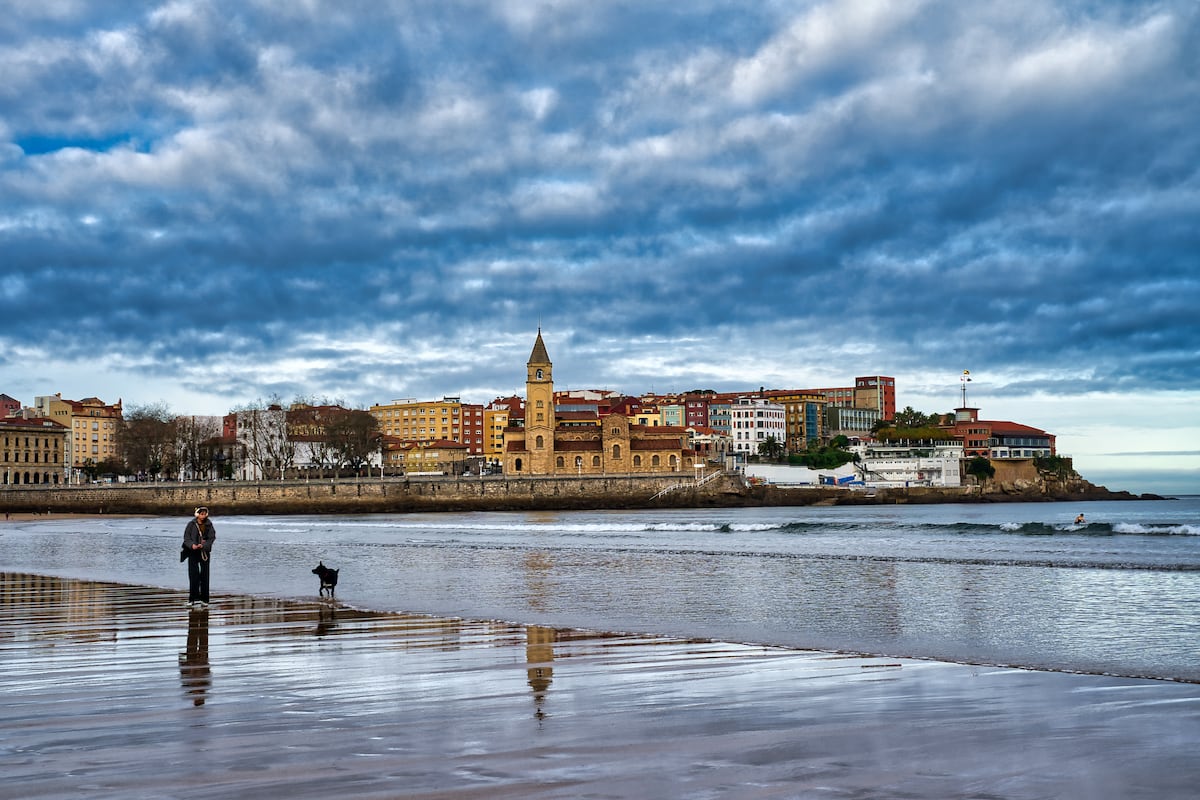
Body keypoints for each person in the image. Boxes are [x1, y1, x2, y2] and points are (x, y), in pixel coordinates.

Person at [183, 506, 216, 608]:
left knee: (205, 576)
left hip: (204, 552)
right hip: (192, 552)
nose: (203, 515)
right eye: (201, 513)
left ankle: (205, 600)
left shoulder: (209, 525)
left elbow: (212, 538)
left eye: (204, 513)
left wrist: (204, 546)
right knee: (193, 576)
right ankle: (192, 599)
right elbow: (186, 538)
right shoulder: (191, 524)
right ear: (197, 514)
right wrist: (192, 545)